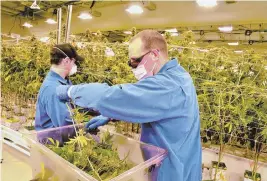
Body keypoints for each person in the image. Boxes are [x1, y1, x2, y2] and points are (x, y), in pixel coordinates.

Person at [56, 30, 202, 181]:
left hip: (173, 172)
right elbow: (153, 106)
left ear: (154, 55)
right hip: (184, 165)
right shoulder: (178, 74)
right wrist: (110, 115)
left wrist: (71, 91)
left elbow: (112, 96)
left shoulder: (168, 85)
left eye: (136, 61)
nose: (133, 67)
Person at [34, 43, 84, 131]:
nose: (75, 66)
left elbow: (74, 103)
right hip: (53, 140)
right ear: (67, 61)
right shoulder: (53, 88)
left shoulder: (63, 81)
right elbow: (65, 125)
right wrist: (85, 128)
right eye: (74, 62)